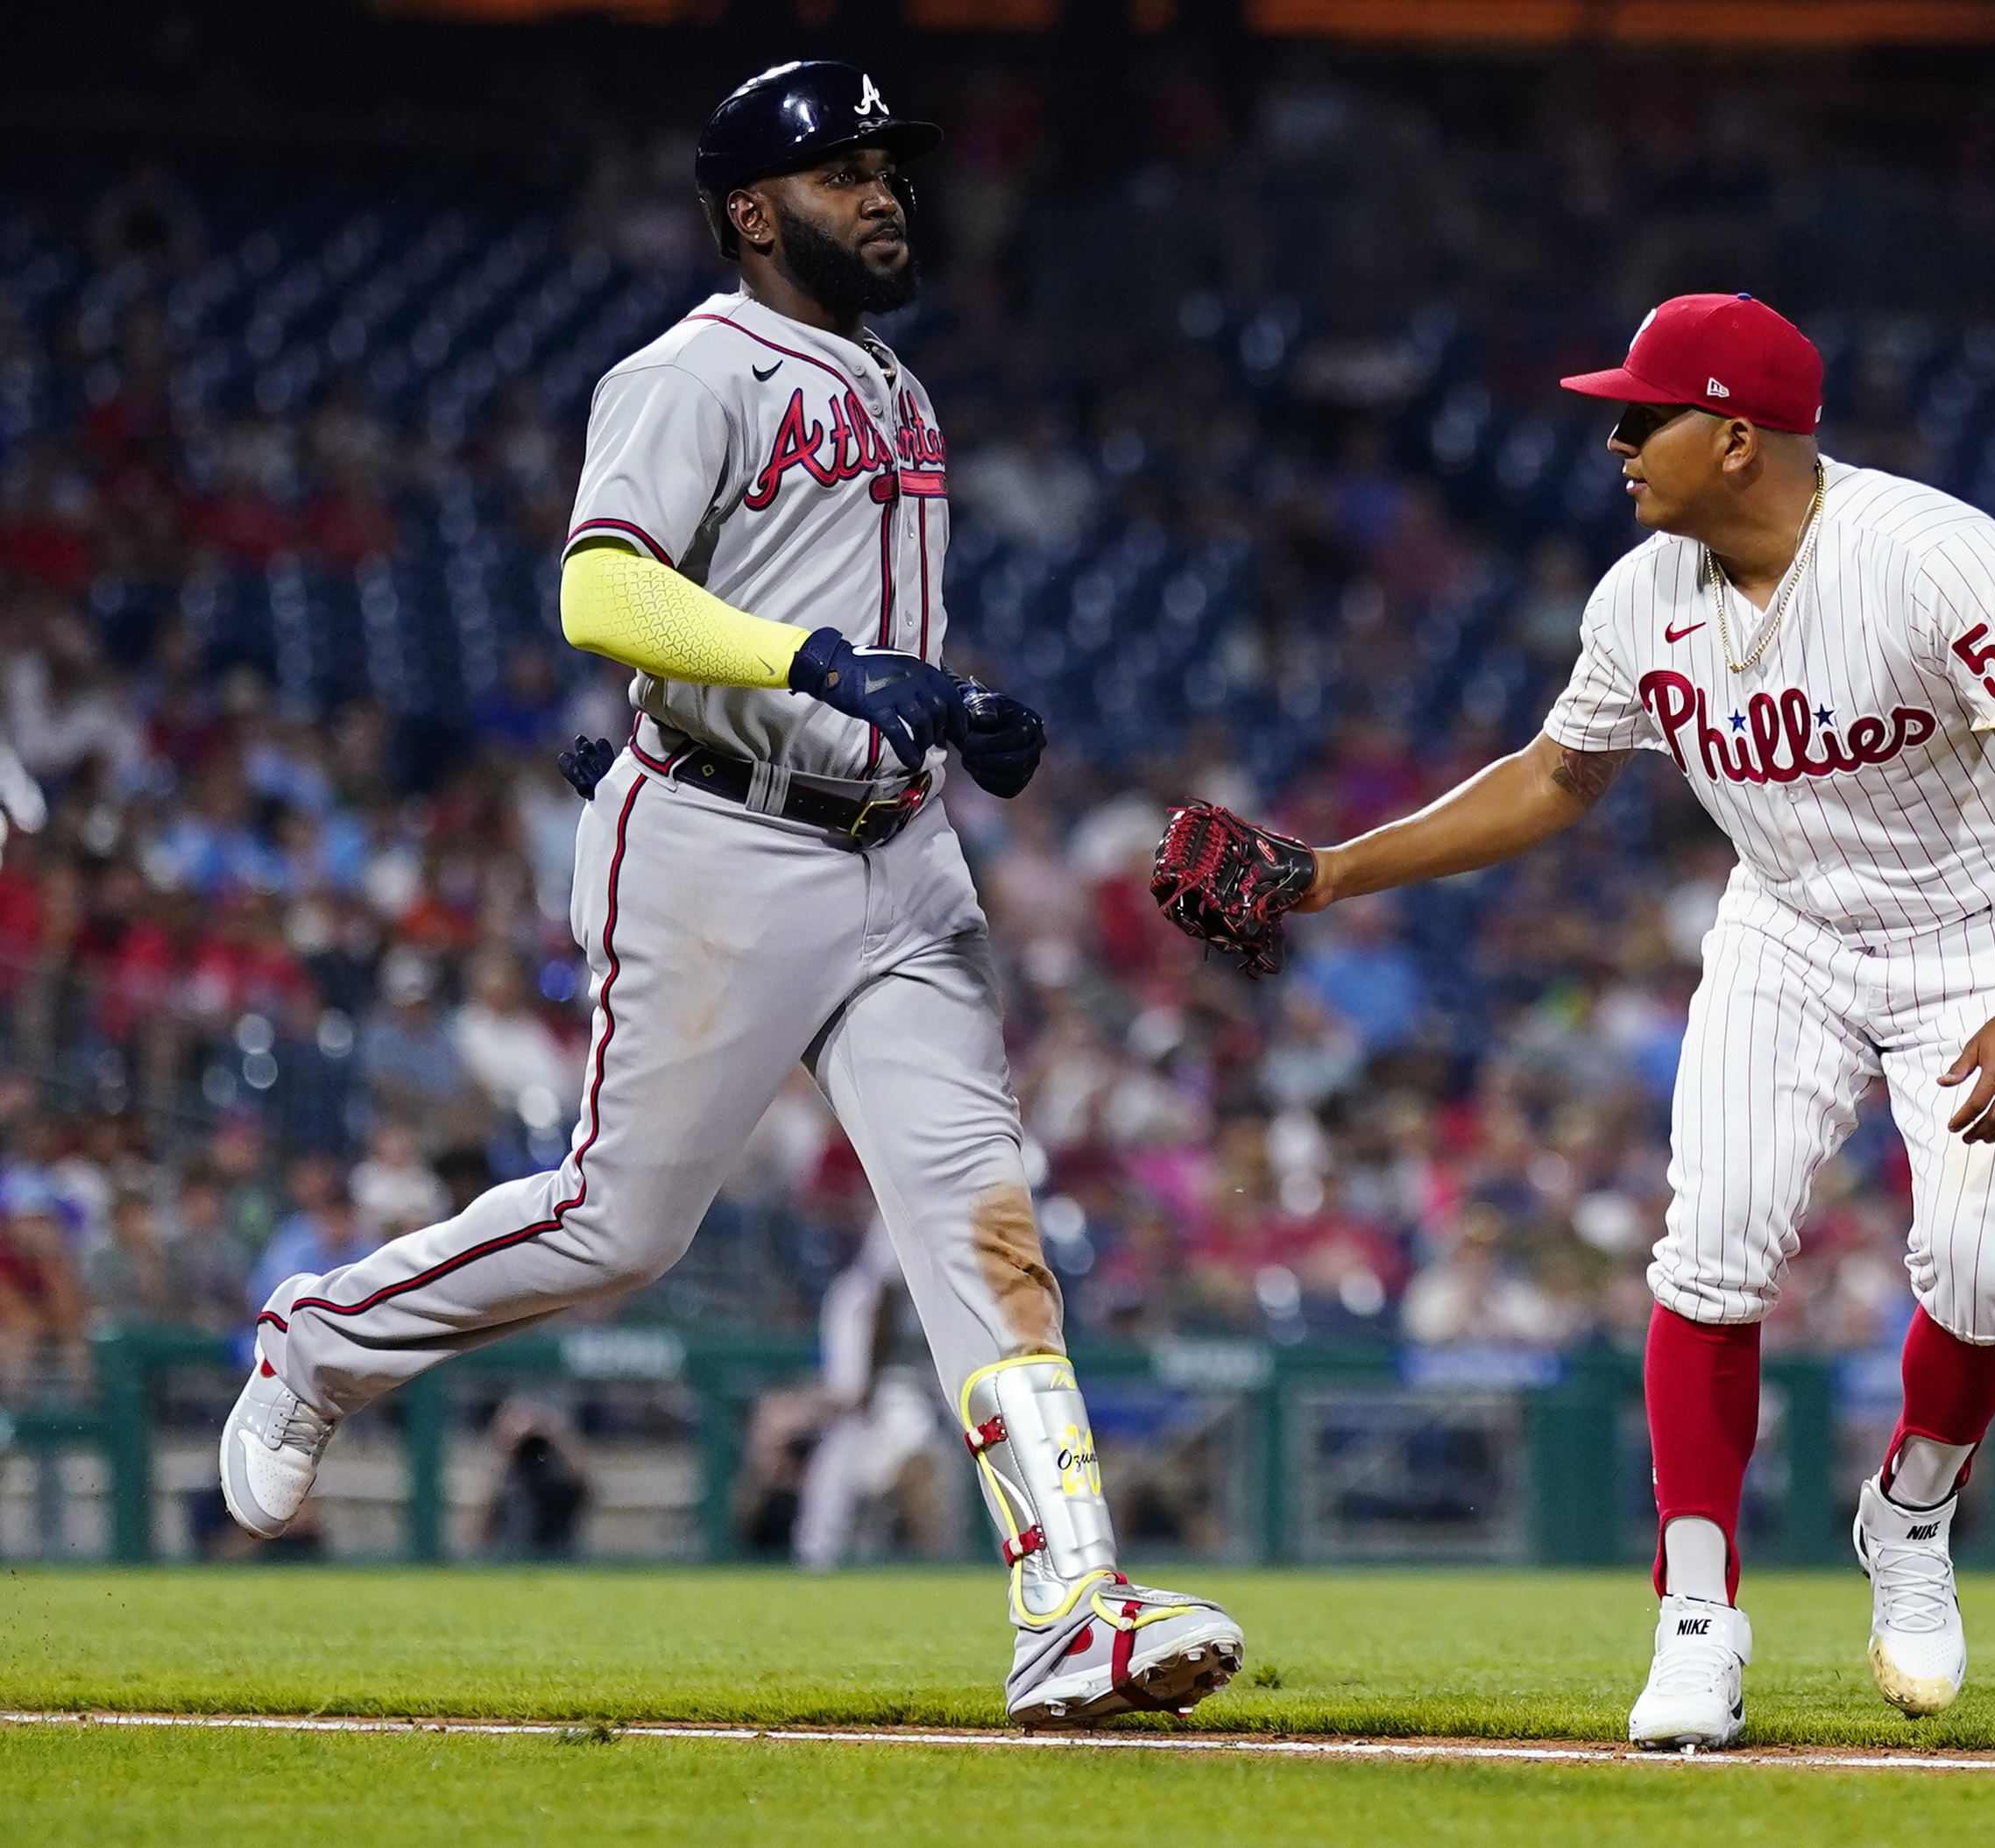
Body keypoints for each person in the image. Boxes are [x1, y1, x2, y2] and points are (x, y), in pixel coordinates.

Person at [217, 60, 1241, 1728]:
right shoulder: (688, 370)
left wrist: (946, 706)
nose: (889, 192)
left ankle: (1072, 1606)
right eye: (846, 173)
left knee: (985, 1223)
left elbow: (841, 629)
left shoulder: (900, 386)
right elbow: (603, 589)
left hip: (900, 853)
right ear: (755, 211)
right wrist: (823, 664)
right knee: (622, 1224)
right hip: (721, 838)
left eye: (892, 166)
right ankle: (317, 1341)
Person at [1158, 294, 1995, 1745]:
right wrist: (1330, 870)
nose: (1614, 440)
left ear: (1736, 438)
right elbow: (1557, 777)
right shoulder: (1639, 595)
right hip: (1788, 927)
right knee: (1711, 1250)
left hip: (1979, 934)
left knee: (1987, 1275)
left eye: (1642, 413)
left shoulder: (1933, 557)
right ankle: (1695, 1613)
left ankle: (1910, 1512)